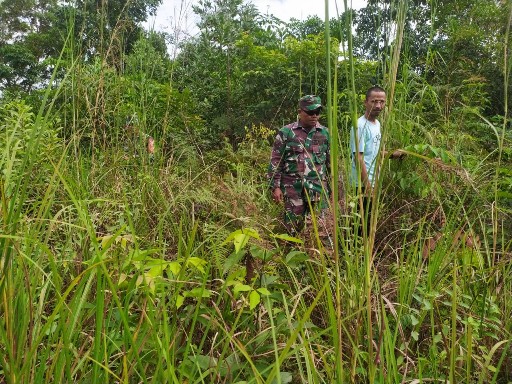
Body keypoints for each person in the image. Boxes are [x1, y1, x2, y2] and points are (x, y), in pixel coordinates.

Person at [268, 95, 331, 235]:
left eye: (317, 112)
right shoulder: (287, 132)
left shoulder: (325, 133)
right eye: (310, 112)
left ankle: (315, 253)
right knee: (293, 228)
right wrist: (276, 187)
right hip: (293, 189)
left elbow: (329, 163)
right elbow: (276, 161)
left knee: (320, 227)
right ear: (300, 111)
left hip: (317, 188)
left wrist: (331, 188)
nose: (314, 116)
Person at [350, 86, 403, 236]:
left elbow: (374, 153)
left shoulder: (377, 124)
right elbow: (358, 157)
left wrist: (394, 154)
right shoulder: (360, 125)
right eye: (374, 101)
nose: (378, 106)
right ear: (365, 102)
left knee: (369, 222)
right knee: (361, 225)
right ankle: (357, 256)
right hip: (361, 183)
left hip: (373, 181)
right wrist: (368, 186)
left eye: (382, 102)